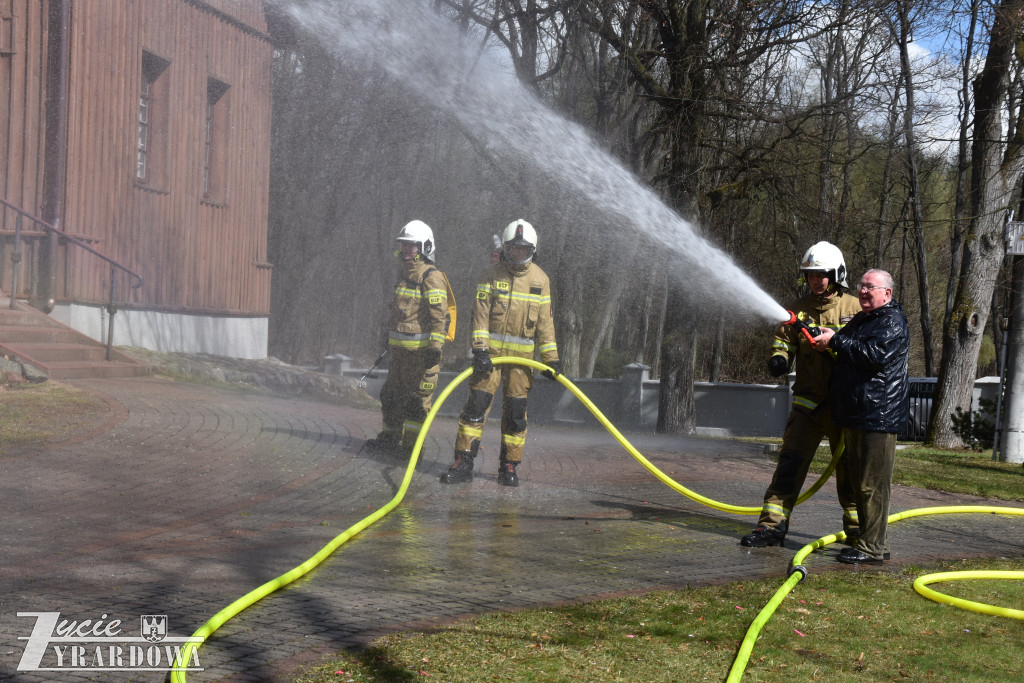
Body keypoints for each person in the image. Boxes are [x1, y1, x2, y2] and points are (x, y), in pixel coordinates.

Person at [741, 241, 862, 548]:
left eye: (822, 274)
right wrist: (779, 358)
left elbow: (866, 351)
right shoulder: (796, 309)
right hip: (808, 405)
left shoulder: (856, 309)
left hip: (845, 407)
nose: (816, 280)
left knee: (851, 470)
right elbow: (783, 341)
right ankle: (771, 526)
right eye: (811, 275)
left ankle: (859, 531)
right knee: (789, 465)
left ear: (836, 275)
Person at [439, 219, 559, 487]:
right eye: (513, 248)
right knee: (476, 408)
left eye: (522, 249)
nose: (517, 253)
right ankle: (463, 462)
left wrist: (552, 360)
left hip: (522, 364)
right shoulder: (490, 275)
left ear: (532, 250)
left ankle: (509, 466)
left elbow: (545, 324)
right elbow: (480, 316)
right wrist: (480, 350)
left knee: (516, 414)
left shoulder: (541, 280)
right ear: (505, 248)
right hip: (490, 359)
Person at [814, 269, 909, 564]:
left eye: (871, 287)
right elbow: (845, 347)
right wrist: (826, 339)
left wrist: (836, 342)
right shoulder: (863, 319)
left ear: (887, 293)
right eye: (862, 286)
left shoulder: (891, 321)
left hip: (878, 415)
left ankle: (872, 547)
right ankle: (868, 541)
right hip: (857, 413)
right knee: (858, 484)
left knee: (872, 485)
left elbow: (874, 355)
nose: (864, 291)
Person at [366, 220, 450, 458]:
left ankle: (412, 450)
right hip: (399, 355)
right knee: (391, 397)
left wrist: (435, 349)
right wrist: (387, 339)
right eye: (404, 244)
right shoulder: (403, 274)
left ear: (425, 247)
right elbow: (397, 313)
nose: (406, 249)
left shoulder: (431, 277)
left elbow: (440, 318)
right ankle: (390, 439)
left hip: (420, 357)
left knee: (416, 404)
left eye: (412, 245)